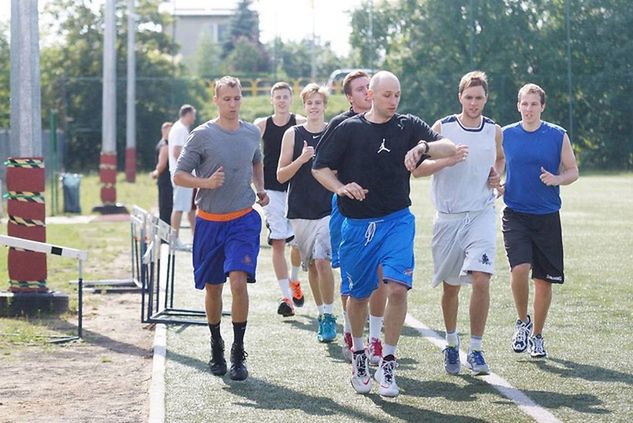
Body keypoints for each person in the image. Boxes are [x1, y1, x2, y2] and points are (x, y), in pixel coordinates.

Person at [313, 71, 456, 397]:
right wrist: (341, 187)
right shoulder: (348, 128)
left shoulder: (407, 126)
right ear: (372, 95)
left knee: (397, 290)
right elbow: (319, 167)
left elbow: (446, 147)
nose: (393, 101)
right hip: (357, 225)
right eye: (387, 95)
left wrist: (422, 146)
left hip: (397, 220)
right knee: (359, 295)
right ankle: (360, 355)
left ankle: (388, 363)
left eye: (397, 95)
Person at [173, 76, 269, 381]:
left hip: (243, 219)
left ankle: (238, 351)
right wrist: (206, 183)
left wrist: (261, 188)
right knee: (214, 287)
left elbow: (256, 162)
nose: (232, 104)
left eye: (237, 98)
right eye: (226, 99)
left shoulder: (252, 132)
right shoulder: (202, 135)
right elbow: (179, 175)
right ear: (216, 100)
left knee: (238, 283)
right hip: (210, 223)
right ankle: (216, 343)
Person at [412, 71, 504, 375]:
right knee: (451, 287)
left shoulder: (494, 130)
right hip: (448, 218)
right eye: (469, 97)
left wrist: (495, 175)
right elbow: (419, 169)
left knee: (481, 278)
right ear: (460, 97)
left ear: (486, 98)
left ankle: (476, 348)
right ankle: (452, 343)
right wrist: (448, 160)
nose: (474, 103)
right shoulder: (443, 128)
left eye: (479, 98)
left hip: (481, 213)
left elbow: (499, 159)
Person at [502, 83, 578, 359]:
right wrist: (497, 180)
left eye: (534, 104)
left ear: (542, 107)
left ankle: (537, 336)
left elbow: (572, 170)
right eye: (525, 103)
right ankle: (522, 322)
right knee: (519, 269)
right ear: (518, 105)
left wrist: (557, 179)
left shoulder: (557, 135)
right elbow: (499, 163)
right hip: (516, 214)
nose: (529, 109)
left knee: (543, 282)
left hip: (546, 217)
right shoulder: (507, 134)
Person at [316, 70, 387, 365]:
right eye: (360, 89)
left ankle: (375, 340)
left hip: (384, 211)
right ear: (349, 97)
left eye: (369, 87)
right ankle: (350, 333)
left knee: (382, 275)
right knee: (352, 278)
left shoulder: (387, 121)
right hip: (346, 211)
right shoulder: (340, 124)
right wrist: (343, 187)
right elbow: (322, 165)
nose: (367, 92)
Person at [277, 83, 336, 342]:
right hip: (300, 209)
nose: (314, 107)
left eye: (318, 102)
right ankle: (321, 313)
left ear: (324, 106)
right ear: (304, 106)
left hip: (328, 207)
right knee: (311, 264)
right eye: (309, 103)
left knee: (323, 261)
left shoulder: (334, 132)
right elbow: (280, 176)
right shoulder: (293, 133)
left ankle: (330, 316)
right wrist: (301, 160)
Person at [254, 82, 306, 317]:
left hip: (296, 189)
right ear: (272, 100)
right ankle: (286, 297)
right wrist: (256, 186)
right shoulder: (262, 125)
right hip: (272, 190)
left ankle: (294, 280)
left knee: (298, 245)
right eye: (278, 97)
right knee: (278, 241)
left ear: (291, 99)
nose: (282, 100)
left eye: (285, 96)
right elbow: (249, 153)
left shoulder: (301, 123)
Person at [169, 104, 197, 250]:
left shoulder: (179, 128)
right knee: (179, 207)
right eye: (193, 114)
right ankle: (175, 239)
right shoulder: (180, 129)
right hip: (182, 175)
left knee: (190, 207)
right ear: (187, 114)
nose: (194, 117)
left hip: (184, 175)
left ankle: (195, 236)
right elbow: (176, 152)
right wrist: (190, 166)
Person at [151, 122, 173, 224]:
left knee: (164, 207)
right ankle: (165, 236)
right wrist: (156, 172)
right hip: (166, 179)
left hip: (163, 180)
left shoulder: (162, 143)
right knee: (166, 208)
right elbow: (162, 164)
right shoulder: (165, 145)